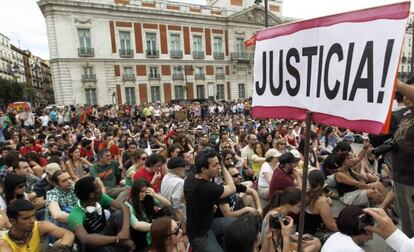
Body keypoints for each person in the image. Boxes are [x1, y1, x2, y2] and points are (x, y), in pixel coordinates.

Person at [184, 149, 236, 252]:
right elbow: (232, 188)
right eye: (215, 165)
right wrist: (223, 166)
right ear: (204, 169)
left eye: (219, 163)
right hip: (199, 235)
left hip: (209, 223)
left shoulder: (191, 177)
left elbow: (183, 197)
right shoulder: (207, 187)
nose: (219, 167)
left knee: (241, 224)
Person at [67, 176, 134, 252]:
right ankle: (124, 244)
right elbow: (85, 239)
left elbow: (124, 207)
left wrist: (125, 230)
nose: (102, 190)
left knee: (119, 214)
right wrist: (117, 239)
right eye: (99, 188)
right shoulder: (75, 214)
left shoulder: (100, 197)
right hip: (91, 243)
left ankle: (126, 245)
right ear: (92, 195)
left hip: (104, 232)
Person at [0, 199, 75, 252]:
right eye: (26, 218)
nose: (32, 221)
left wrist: (62, 248)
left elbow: (69, 234)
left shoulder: (39, 226)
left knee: (62, 244)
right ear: (12, 221)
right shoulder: (4, 244)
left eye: (33, 216)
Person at [262, 187, 321, 252]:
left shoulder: (281, 213)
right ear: (288, 204)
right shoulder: (275, 216)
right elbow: (272, 243)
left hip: (279, 244)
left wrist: (294, 237)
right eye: (299, 206)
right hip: (274, 247)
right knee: (316, 244)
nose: (301, 208)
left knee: (316, 241)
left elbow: (279, 236)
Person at [390, 79, 414, 237]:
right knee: (406, 221)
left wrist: (396, 82)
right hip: (399, 177)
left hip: (412, 180)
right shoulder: (406, 116)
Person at [126, 179, 171, 251]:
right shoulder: (128, 204)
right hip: (140, 232)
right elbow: (136, 225)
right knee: (140, 233)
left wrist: (155, 195)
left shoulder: (148, 198)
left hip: (150, 223)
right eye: (141, 192)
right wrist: (157, 226)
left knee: (166, 211)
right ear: (135, 191)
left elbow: (168, 204)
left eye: (145, 192)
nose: (144, 194)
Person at [304, 170, 337, 243]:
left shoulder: (304, 193)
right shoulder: (321, 201)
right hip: (313, 235)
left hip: (302, 230)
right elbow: (331, 226)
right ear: (323, 182)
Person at [160, 157, 186, 223]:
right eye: (183, 166)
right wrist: (183, 229)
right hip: (176, 219)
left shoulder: (166, 177)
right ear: (177, 169)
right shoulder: (179, 182)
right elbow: (178, 208)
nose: (185, 169)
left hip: (167, 215)